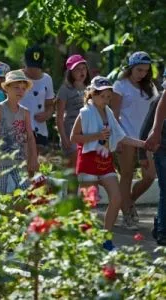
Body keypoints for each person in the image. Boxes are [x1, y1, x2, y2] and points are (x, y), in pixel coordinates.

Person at [71, 76, 145, 251]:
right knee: (89, 203)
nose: (106, 100)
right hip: (88, 160)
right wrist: (97, 136)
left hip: (105, 160)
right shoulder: (85, 113)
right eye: (102, 96)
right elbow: (74, 137)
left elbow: (121, 136)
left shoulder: (109, 113)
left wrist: (143, 143)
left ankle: (106, 238)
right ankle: (85, 242)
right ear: (92, 94)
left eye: (108, 97)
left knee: (117, 198)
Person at [111, 51, 159, 229]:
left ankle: (128, 202)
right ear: (130, 68)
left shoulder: (151, 87)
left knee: (149, 176)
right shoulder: (120, 85)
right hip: (126, 137)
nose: (143, 74)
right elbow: (114, 115)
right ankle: (128, 213)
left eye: (146, 70)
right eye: (139, 70)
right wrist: (116, 139)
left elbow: (156, 112)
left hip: (146, 139)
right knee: (127, 174)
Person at [0, 70, 38, 194]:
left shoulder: (25, 112)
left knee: (25, 192)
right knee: (0, 194)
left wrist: (33, 158)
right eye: (16, 87)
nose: (20, 91)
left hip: (20, 160)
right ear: (7, 88)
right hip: (1, 160)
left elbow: (30, 137)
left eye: (23, 88)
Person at [141, 72, 166, 245]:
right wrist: (142, 154)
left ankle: (159, 223)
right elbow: (146, 128)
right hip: (163, 146)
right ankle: (163, 230)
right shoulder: (159, 101)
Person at [56, 54, 91, 168]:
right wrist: (64, 138)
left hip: (87, 132)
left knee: (86, 167)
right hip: (70, 131)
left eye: (83, 68)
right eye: (77, 69)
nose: (82, 72)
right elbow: (59, 117)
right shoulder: (64, 90)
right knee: (73, 168)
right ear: (70, 72)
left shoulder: (90, 88)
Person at [20, 45, 55, 154]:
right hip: (20, 127)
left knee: (35, 162)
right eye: (31, 66)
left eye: (37, 66)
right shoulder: (16, 77)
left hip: (39, 128)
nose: (34, 70)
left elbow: (50, 104)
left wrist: (47, 114)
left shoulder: (47, 79)